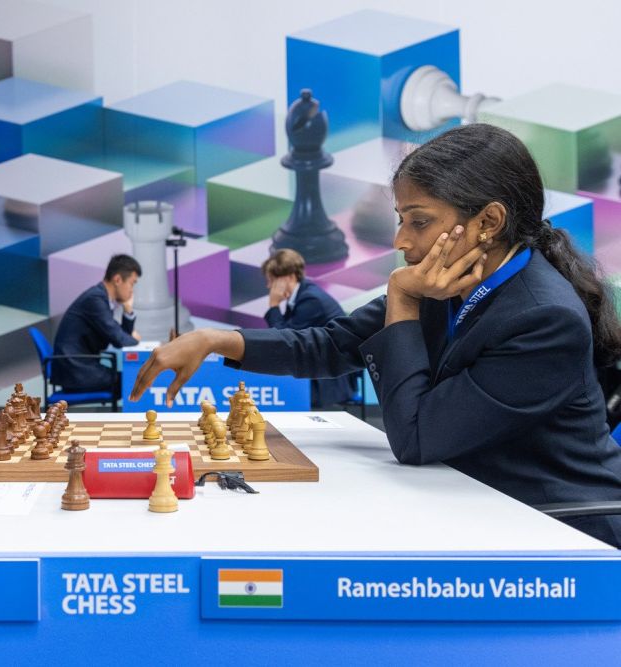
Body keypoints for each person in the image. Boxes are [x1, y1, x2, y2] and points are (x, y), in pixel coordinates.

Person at [130, 124, 621, 547]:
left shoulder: (542, 317)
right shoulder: (446, 282)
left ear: (488, 222)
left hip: (564, 529)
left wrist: (403, 302)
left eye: (420, 222)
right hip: (477, 503)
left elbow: (416, 437)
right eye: (401, 220)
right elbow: (328, 345)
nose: (401, 241)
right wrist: (217, 340)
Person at [261, 248, 354, 407]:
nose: (269, 286)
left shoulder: (311, 300)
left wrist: (274, 305)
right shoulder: (302, 296)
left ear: (289, 277)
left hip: (328, 381)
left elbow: (284, 340)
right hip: (319, 372)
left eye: (271, 280)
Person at [52, 254, 142, 398]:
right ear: (118, 279)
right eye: (132, 283)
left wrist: (128, 310)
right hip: (76, 369)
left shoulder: (100, 298)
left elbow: (120, 336)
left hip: (79, 366)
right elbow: (120, 339)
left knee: (132, 379)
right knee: (133, 381)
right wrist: (134, 339)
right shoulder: (95, 300)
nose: (132, 290)